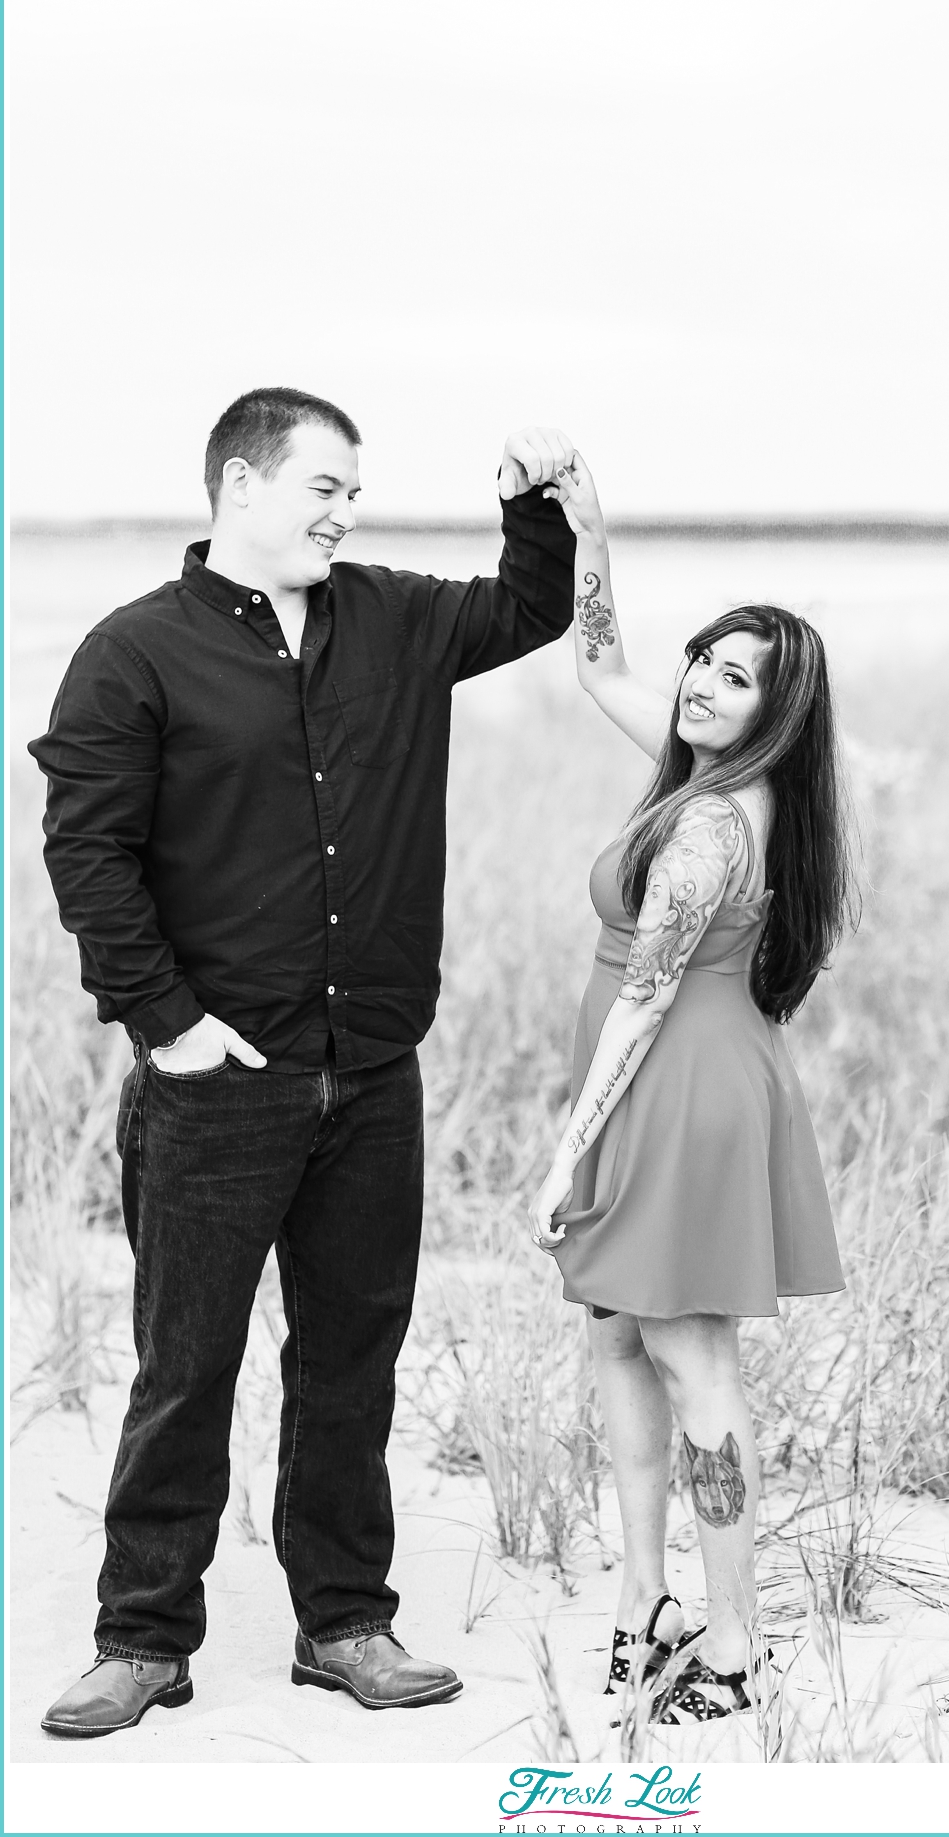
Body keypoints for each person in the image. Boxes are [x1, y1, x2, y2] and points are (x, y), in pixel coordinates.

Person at [31, 387, 578, 1738]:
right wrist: (165, 1020)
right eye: (326, 485)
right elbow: (87, 854)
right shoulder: (133, 653)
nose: (347, 510)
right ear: (240, 486)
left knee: (352, 1362)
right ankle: (143, 1635)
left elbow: (531, 609)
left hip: (373, 1072)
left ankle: (344, 1621)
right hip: (217, 1083)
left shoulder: (389, 617)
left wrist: (534, 502)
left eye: (355, 490)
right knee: (187, 1367)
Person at [527, 457, 856, 1723]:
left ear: (778, 715)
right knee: (621, 1334)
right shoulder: (704, 771)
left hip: (666, 1084)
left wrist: (566, 1156)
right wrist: (593, 531)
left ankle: (731, 1650)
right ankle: (639, 1602)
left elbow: (649, 996)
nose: (703, 689)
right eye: (704, 663)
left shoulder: (716, 826)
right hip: (663, 1074)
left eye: (738, 679)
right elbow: (601, 668)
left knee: (692, 1360)